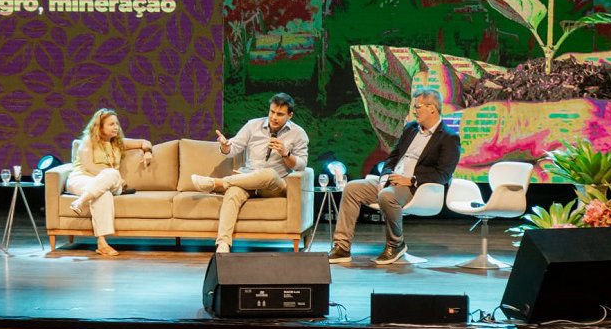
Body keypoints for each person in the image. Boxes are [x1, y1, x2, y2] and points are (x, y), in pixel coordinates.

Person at [328, 88, 460, 265]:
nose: (414, 110)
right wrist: (384, 177)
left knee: (387, 195)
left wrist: (412, 179)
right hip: (392, 180)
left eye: (417, 106)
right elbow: (393, 156)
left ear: (432, 108)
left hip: (417, 187)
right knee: (352, 188)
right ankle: (342, 247)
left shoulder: (449, 137)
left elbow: (443, 174)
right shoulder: (411, 128)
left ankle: (395, 244)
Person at [190, 93, 309, 253]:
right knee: (232, 192)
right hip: (248, 181)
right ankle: (223, 244)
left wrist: (286, 154)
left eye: (280, 114)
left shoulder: (298, 133)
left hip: (274, 185)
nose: (274, 117)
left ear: (290, 115)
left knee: (269, 174)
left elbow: (301, 165)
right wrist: (225, 146)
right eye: (272, 112)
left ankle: (217, 183)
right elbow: (233, 148)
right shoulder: (253, 126)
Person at [66, 108, 153, 257]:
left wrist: (148, 152)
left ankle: (81, 201)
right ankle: (102, 243)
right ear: (99, 126)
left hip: (111, 182)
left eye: (117, 124)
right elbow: (90, 167)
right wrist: (111, 176)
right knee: (103, 193)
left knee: (111, 174)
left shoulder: (118, 143)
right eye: (111, 124)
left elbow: (145, 142)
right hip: (82, 179)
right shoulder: (88, 141)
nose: (116, 127)